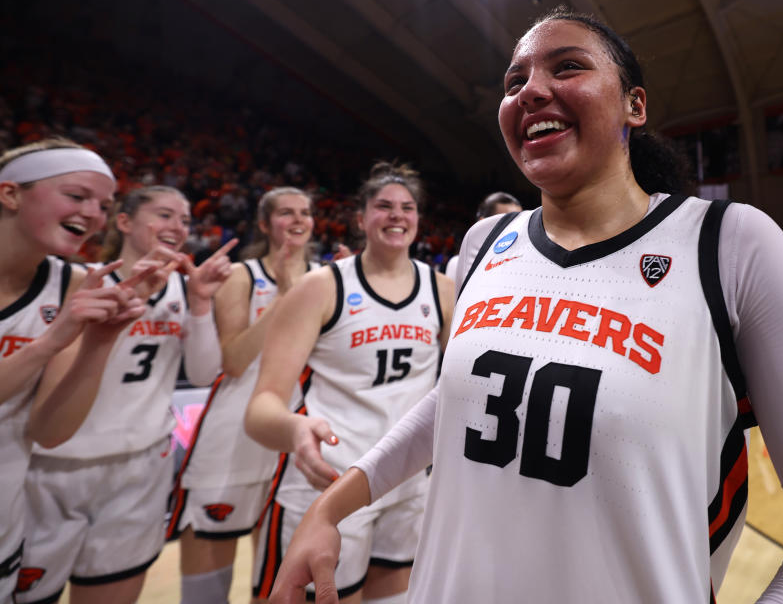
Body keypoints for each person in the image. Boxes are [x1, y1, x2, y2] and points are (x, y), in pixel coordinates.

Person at [268, 8, 783, 603]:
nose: (532, 90)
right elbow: (466, 399)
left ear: (635, 103)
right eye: (515, 81)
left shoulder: (730, 244)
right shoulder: (483, 243)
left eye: (567, 67)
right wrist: (334, 504)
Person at [245, 162, 455, 603]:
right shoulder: (319, 287)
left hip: (406, 481)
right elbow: (260, 407)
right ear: (360, 220)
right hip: (330, 479)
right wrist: (294, 427)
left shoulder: (441, 289)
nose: (397, 215)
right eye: (383, 206)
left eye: (407, 207)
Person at [15, 187, 235, 604]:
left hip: (141, 466)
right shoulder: (82, 281)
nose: (177, 227)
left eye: (186, 220)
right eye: (165, 215)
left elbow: (206, 374)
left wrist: (202, 301)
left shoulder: (183, 290)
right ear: (124, 222)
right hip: (53, 467)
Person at [0, 138, 146, 603]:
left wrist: (97, 347)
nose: (94, 215)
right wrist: (49, 343)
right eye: (77, 195)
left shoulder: (74, 283)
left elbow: (51, 430)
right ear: (10, 194)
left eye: (103, 205)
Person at [166, 187, 320, 604]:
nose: (298, 220)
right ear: (265, 224)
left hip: (299, 433)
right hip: (237, 431)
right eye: (286, 213)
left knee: (278, 580)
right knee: (205, 591)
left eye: (304, 212)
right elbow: (232, 360)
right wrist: (287, 296)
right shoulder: (242, 275)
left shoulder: (329, 278)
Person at [444, 191, 522, 277]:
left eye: (519, 222)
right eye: (506, 222)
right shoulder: (458, 265)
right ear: (482, 224)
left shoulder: (523, 264)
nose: (515, 229)